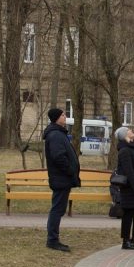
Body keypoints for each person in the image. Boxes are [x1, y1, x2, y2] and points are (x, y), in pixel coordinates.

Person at [43, 107, 81, 252]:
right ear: (56, 118)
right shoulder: (55, 135)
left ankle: (53, 238)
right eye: (63, 115)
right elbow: (59, 157)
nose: (65, 116)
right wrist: (70, 171)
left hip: (62, 178)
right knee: (57, 209)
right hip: (61, 178)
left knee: (58, 209)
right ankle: (52, 240)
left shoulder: (59, 134)